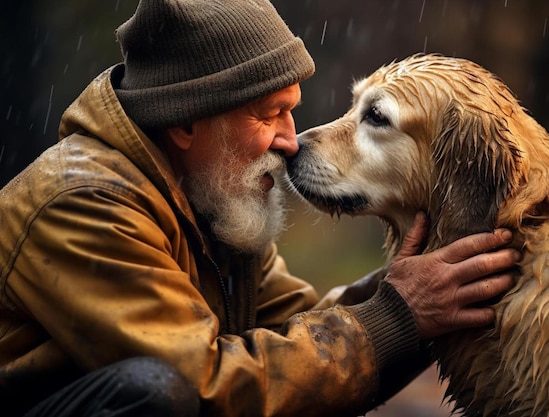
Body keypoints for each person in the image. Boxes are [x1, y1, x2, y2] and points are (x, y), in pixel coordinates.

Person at [0, 0, 519, 416]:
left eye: (291, 110)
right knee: (154, 391)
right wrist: (398, 314)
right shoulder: (86, 203)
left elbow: (299, 341)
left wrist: (423, 291)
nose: (292, 141)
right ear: (186, 123)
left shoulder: (210, 193)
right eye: (271, 115)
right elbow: (203, 387)